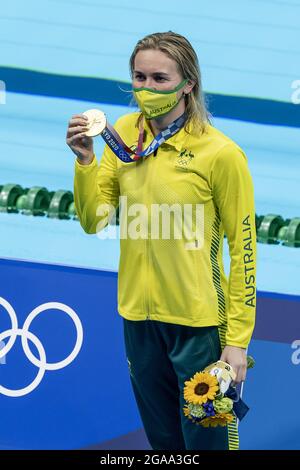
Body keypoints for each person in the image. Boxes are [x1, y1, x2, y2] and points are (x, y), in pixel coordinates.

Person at [66, 31, 257, 451]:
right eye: (139, 77)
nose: (146, 88)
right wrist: (85, 162)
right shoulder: (121, 134)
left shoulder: (220, 154)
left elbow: (244, 251)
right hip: (139, 320)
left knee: (208, 448)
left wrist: (237, 340)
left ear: (188, 83)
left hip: (199, 326)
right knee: (165, 446)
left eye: (160, 78)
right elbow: (94, 221)